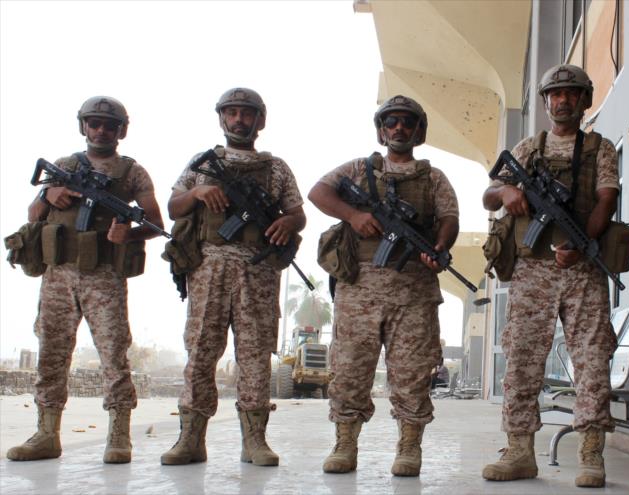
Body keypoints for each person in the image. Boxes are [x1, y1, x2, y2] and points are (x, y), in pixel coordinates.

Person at [481, 64, 620, 488]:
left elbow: (605, 199)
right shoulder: (527, 148)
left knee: (592, 360)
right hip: (532, 269)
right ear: (545, 102)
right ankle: (520, 450)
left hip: (581, 269)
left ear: (584, 100)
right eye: (555, 95)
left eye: (571, 94)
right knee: (522, 358)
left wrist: (583, 243)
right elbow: (490, 195)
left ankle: (592, 454)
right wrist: (508, 191)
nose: (562, 101)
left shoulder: (600, 148)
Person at [6, 96, 164, 464]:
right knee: (51, 354)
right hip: (58, 275)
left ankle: (119, 436)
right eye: (94, 123)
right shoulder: (64, 166)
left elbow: (156, 225)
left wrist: (130, 235)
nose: (101, 130)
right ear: (84, 126)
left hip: (104, 277)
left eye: (110, 125)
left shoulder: (132, 173)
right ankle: (46, 434)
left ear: (121, 130)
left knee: (114, 355)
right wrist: (48, 193)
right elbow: (33, 215)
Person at [308, 95, 460, 477]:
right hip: (359, 287)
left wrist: (439, 246)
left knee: (412, 372)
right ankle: (345, 443)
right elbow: (318, 192)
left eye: (407, 122)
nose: (398, 128)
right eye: (391, 122)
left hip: (413, 291)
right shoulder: (360, 169)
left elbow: (449, 218)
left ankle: (409, 446)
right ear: (381, 129)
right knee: (350, 369)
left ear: (418, 130)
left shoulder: (433, 177)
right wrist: (354, 215)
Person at [160, 88, 306, 467]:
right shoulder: (202, 163)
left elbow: (297, 213)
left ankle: (255, 441)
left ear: (260, 121)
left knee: (255, 354)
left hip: (257, 270)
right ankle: (191, 439)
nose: (239, 120)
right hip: (208, 268)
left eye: (247, 114)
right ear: (222, 118)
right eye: (232, 113)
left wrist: (288, 223)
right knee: (201, 352)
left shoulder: (276, 168)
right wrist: (199, 192)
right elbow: (174, 206)